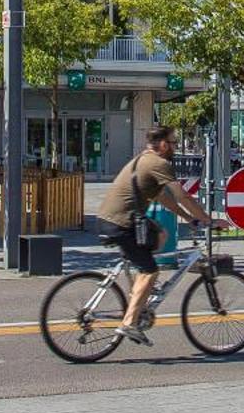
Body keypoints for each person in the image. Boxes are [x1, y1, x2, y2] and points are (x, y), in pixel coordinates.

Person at [94, 126, 221, 345]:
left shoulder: (142, 160)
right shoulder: (160, 164)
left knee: (160, 233)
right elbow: (183, 196)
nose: (176, 147)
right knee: (150, 270)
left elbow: (163, 197)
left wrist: (189, 219)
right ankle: (129, 323)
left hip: (112, 218)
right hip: (122, 222)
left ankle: (141, 292)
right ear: (163, 144)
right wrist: (208, 220)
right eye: (173, 143)